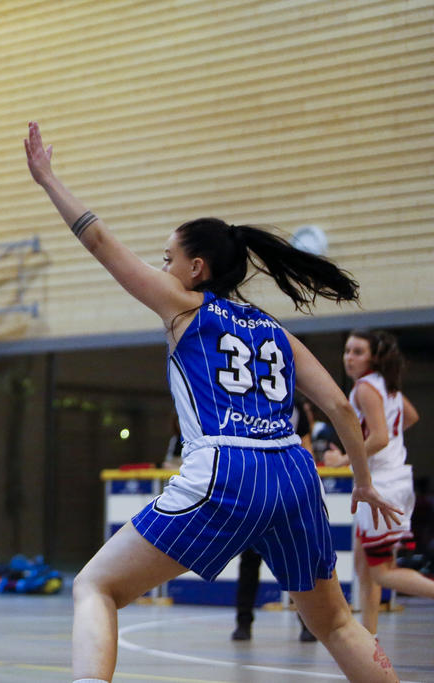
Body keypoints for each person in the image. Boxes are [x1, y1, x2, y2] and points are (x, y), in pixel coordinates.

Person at [24, 121, 402, 683]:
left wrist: (48, 179)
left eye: (168, 257)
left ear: (195, 269)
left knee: (95, 586)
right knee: (338, 624)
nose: (163, 268)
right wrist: (364, 481)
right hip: (295, 474)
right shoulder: (276, 331)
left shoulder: (184, 306)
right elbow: (342, 412)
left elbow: (100, 241)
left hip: (228, 468)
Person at [322, 329, 433, 634]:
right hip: (395, 480)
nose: (349, 357)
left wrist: (344, 458)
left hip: (382, 485)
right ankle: (369, 637)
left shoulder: (364, 388)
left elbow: (380, 437)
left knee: (382, 572)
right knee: (364, 567)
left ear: (373, 356)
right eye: (347, 350)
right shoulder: (387, 386)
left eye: (357, 351)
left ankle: (368, 635)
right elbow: (409, 417)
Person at [232, 397, 317, 642]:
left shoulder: (296, 406)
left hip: (288, 487)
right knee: (249, 561)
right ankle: (243, 622)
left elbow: (305, 443)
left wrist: (308, 480)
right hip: (255, 487)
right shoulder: (247, 399)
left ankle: (308, 623)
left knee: (296, 561)